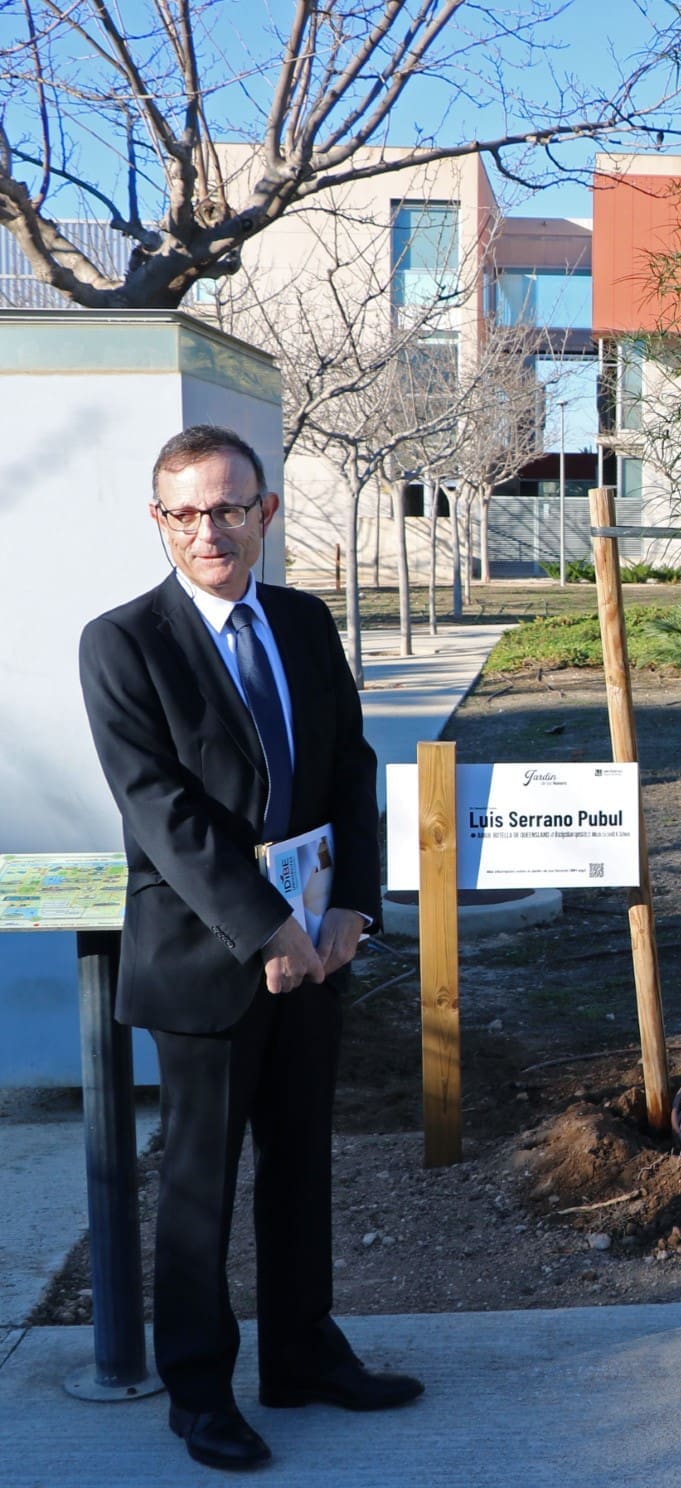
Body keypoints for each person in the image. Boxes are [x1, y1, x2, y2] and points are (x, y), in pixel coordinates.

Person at [80, 426, 421, 1471]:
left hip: (316, 946)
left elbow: (350, 766)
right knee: (198, 1184)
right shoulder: (123, 643)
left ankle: (305, 1354)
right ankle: (199, 1393)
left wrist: (352, 906)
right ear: (158, 523)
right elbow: (160, 812)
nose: (207, 530)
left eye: (228, 507)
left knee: (301, 1162)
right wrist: (261, 926)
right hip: (207, 959)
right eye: (184, 512)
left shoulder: (306, 624)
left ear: (265, 512)